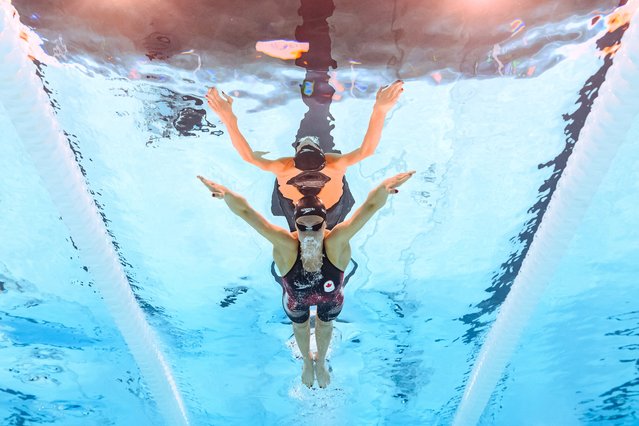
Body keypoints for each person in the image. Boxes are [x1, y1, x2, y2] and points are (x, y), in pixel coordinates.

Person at [197, 170, 415, 388]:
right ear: (295, 225)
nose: (309, 233)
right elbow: (246, 212)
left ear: (325, 224)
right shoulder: (287, 245)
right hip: (296, 299)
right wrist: (226, 194)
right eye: (303, 226)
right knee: (300, 326)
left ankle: (319, 362)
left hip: (330, 298)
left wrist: (384, 188)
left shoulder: (335, 242)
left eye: (316, 226)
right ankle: (306, 363)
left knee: (325, 324)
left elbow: (369, 208)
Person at [205, 81, 405, 229]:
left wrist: (227, 116)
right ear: (324, 156)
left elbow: (249, 157)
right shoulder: (333, 163)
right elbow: (367, 150)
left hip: (299, 211)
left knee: (294, 245)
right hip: (331, 211)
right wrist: (380, 109)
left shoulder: (284, 167)